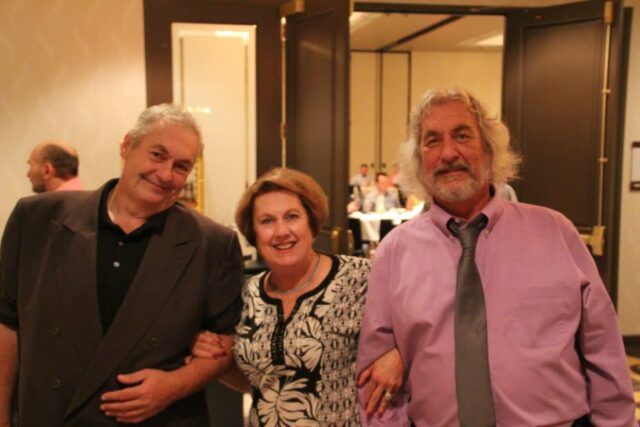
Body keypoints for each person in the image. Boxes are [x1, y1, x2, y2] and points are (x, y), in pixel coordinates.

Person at [356, 88, 636, 426]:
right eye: (432, 141)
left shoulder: (555, 233)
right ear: (418, 161)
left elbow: (602, 348)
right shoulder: (394, 253)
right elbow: (374, 380)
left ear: (490, 149)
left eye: (462, 136)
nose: (448, 153)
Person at [0, 104, 244, 426]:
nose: (165, 174)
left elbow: (226, 344)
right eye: (157, 155)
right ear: (127, 146)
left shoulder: (214, 243)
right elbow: (6, 325)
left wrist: (175, 385)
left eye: (181, 166)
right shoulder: (36, 218)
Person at [190, 168, 404, 426]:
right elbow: (258, 379)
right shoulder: (247, 294)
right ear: (254, 233)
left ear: (311, 223)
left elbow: (422, 329)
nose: (281, 231)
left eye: (292, 217)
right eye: (267, 221)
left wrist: (399, 356)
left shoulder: (360, 278)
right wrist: (215, 357)